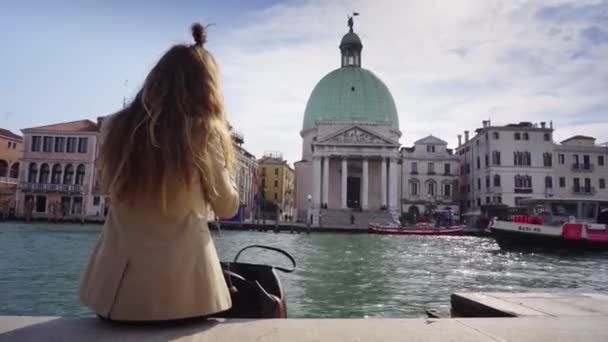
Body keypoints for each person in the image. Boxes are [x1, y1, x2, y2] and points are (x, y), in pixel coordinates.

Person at [79, 23, 239, 324]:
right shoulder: (206, 132)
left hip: (114, 298)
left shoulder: (114, 127)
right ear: (206, 87)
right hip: (186, 298)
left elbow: (108, 186)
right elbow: (227, 207)